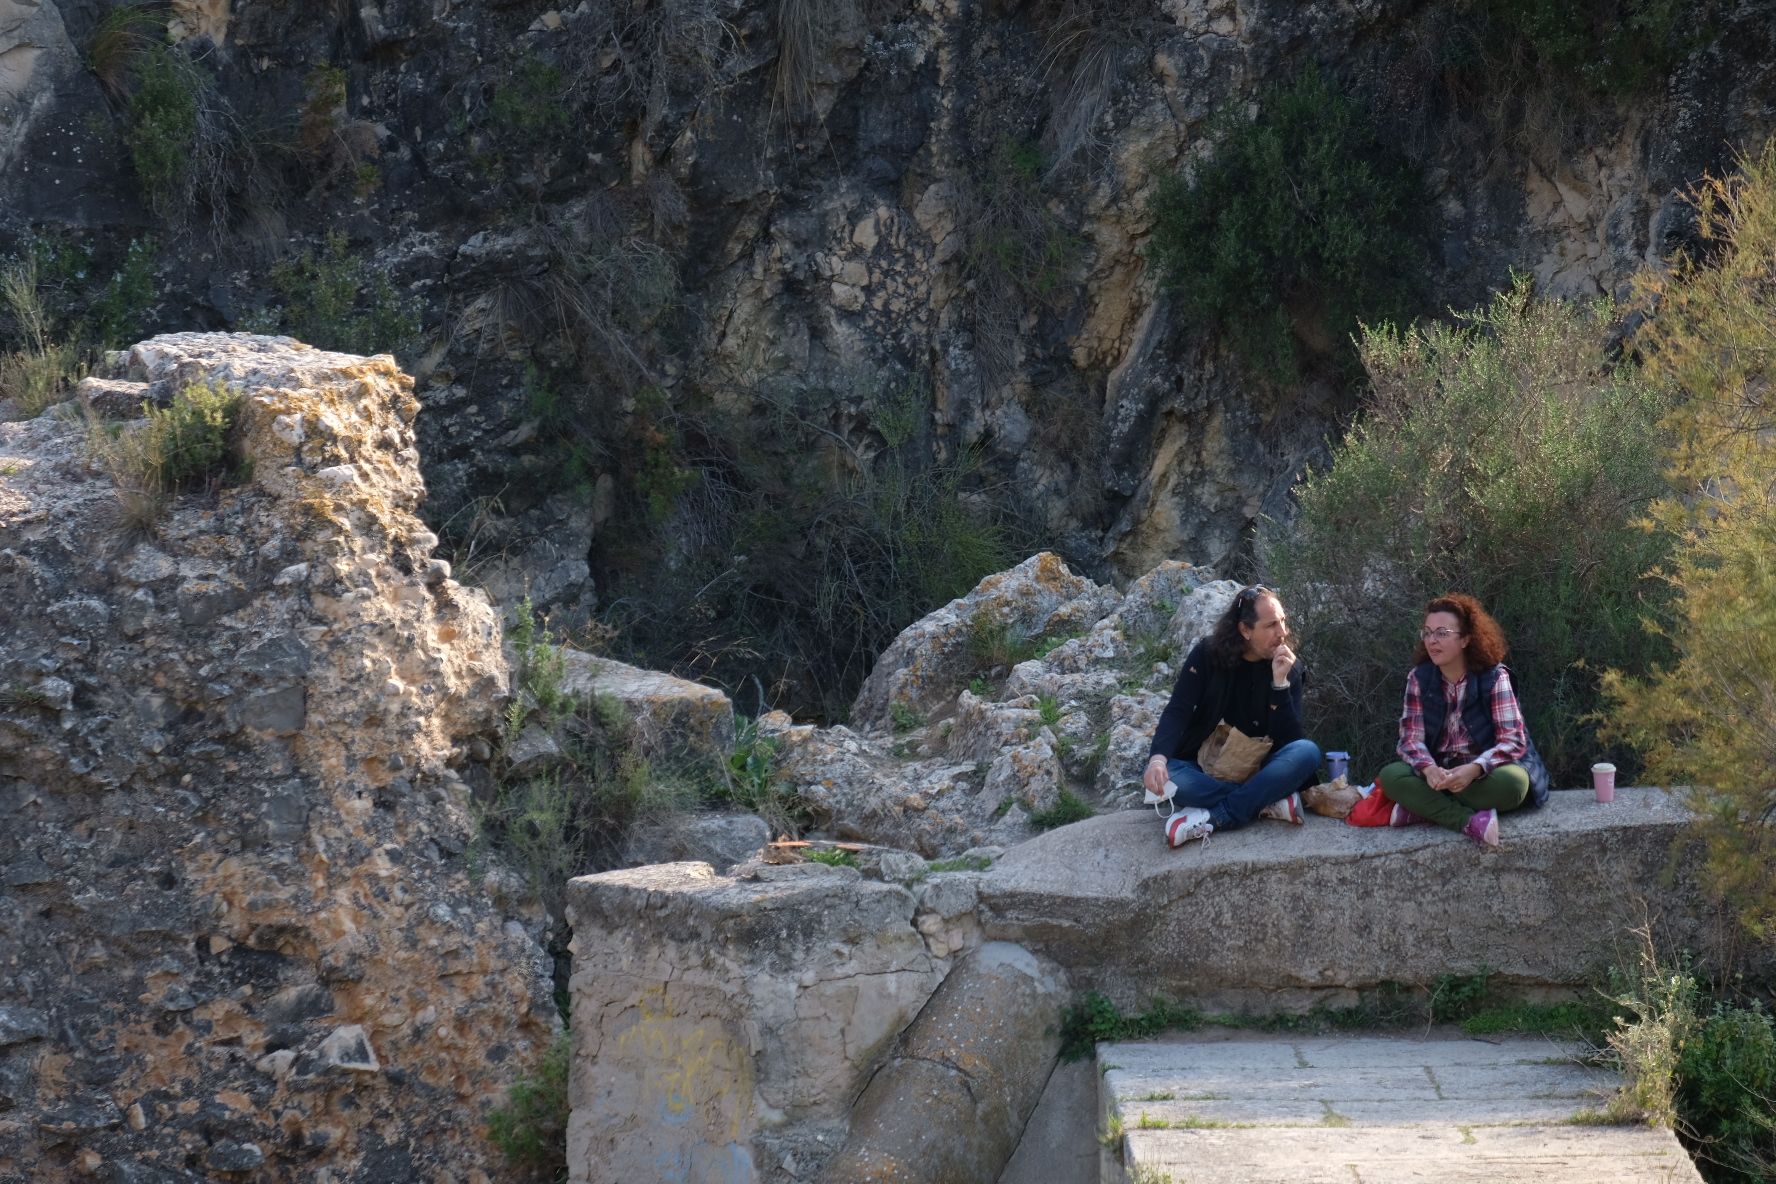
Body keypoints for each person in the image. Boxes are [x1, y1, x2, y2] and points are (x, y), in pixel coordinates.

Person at [1141, 585, 1322, 847]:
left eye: (1283, 621)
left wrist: (1280, 685)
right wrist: (1157, 760)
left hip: (1261, 770)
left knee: (1308, 752)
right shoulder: (1207, 655)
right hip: (1206, 769)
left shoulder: (1288, 668)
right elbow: (1178, 709)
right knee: (1170, 773)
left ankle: (1217, 816)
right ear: (1245, 630)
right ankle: (1265, 802)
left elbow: (1291, 743)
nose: (1282, 633)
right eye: (1271, 625)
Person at [1377, 593, 1531, 848]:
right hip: (1436, 776)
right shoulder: (1419, 678)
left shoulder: (1494, 677)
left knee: (1515, 784)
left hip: (1481, 777)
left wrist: (1475, 769)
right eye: (1427, 633)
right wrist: (1428, 769)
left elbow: (1512, 741)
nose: (1432, 641)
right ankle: (1467, 821)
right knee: (1391, 776)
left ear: (1466, 639)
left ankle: (1423, 807)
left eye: (1441, 633)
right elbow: (1410, 739)